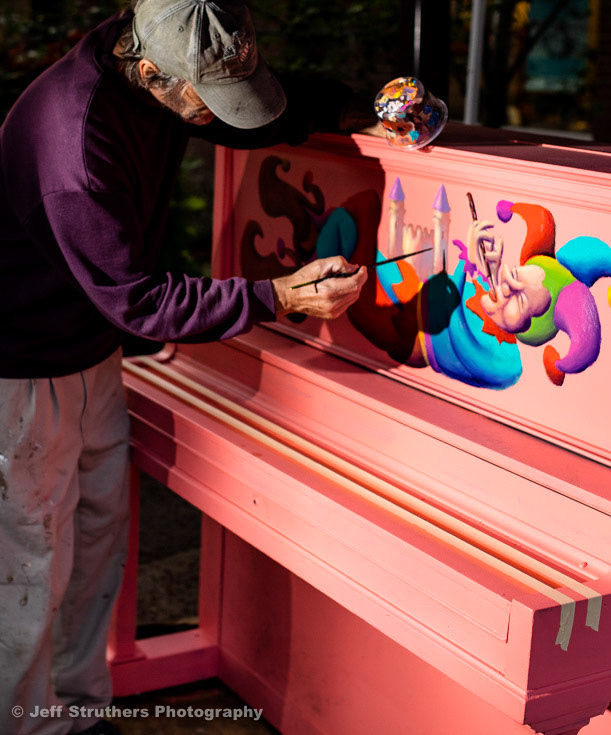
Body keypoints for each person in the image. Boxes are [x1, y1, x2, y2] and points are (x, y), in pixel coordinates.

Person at [0, 1, 375, 733]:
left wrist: (366, 107)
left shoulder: (156, 63)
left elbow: (259, 111)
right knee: (29, 560)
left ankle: (77, 710)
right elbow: (137, 299)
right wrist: (283, 293)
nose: (222, 117)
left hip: (89, 349)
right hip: (20, 366)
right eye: (210, 104)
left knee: (99, 536)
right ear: (150, 76)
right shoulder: (74, 144)